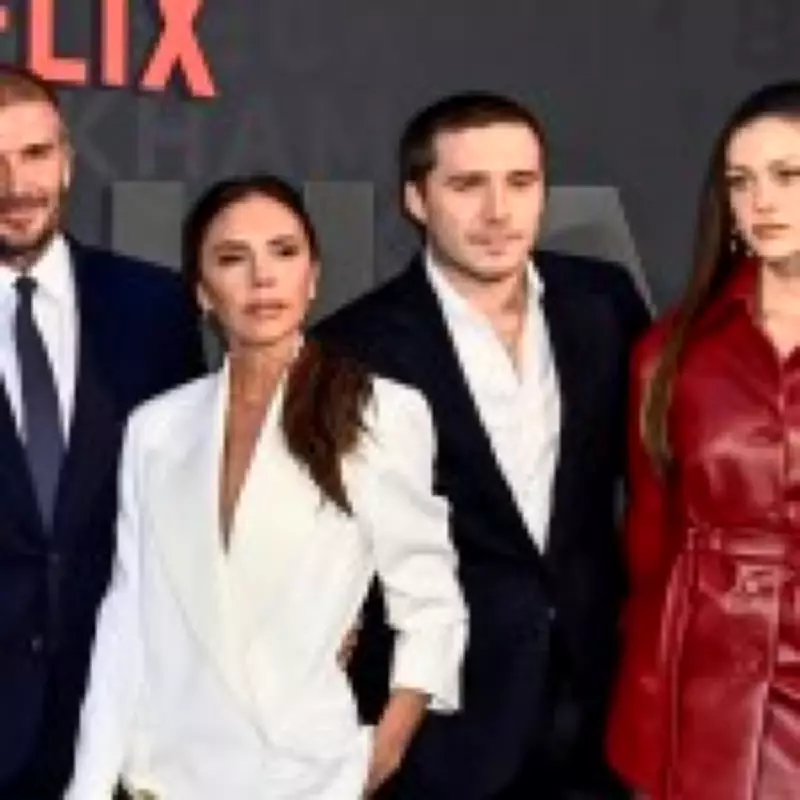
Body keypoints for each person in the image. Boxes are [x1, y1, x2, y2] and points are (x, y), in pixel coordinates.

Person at [65, 174, 467, 799]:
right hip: (164, 777)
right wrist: (88, 786)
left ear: (313, 276)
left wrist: (382, 750)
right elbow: (128, 618)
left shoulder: (377, 411)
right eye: (232, 258)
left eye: (284, 252)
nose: (262, 278)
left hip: (306, 776)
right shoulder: (156, 428)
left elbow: (431, 602)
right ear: (202, 292)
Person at [315, 91, 650, 799]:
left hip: (600, 711)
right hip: (446, 730)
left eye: (520, 183)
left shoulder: (604, 301)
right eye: (467, 185)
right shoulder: (353, 348)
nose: (498, 212)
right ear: (416, 198)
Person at [0, 64, 205, 799]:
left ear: (67, 160)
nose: (15, 184)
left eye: (34, 154)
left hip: (119, 716)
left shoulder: (153, 307)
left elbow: (187, 505)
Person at [606, 80, 800, 799]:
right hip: (699, 687)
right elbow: (650, 545)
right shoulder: (670, 352)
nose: (762, 202)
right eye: (741, 182)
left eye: (788, 175)